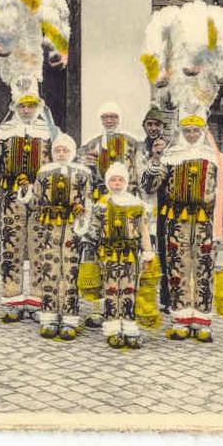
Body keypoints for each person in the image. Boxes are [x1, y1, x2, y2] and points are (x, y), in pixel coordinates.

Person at [142, 112, 223, 342]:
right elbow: (149, 185)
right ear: (182, 133)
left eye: (196, 131)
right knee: (178, 268)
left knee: (203, 268)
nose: (192, 135)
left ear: (203, 132)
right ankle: (181, 318)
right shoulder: (171, 156)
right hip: (176, 221)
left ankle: (202, 319)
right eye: (188, 131)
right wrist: (155, 161)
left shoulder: (215, 158)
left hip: (205, 222)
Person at [0, 87, 53, 322]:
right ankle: (11, 299)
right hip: (12, 197)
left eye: (30, 106)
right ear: (15, 107)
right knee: (11, 248)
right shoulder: (6, 132)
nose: (26, 110)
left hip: (40, 199)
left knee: (39, 249)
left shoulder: (49, 133)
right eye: (22, 106)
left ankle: (37, 299)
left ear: (37, 107)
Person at [18, 133, 92, 340]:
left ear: (72, 152)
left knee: (69, 271)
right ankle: (49, 316)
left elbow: (87, 201)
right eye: (57, 150)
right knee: (49, 269)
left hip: (71, 226)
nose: (61, 153)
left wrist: (83, 219)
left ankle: (69, 318)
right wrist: (26, 190)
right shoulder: (44, 173)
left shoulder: (83, 173)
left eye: (65, 150)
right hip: (49, 227)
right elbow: (36, 202)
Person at [78, 101, 142, 328]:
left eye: (113, 117)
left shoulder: (133, 144)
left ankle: (126, 309)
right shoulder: (92, 145)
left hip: (126, 209)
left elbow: (140, 176)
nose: (109, 121)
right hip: (101, 208)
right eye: (105, 117)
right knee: (98, 258)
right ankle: (99, 309)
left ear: (119, 119)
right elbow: (83, 176)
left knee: (127, 261)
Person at [83, 162, 155, 349]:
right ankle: (114, 328)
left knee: (129, 289)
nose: (117, 183)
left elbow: (144, 230)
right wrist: (90, 249)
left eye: (120, 179)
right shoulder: (102, 204)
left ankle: (130, 327)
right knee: (111, 289)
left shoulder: (136, 204)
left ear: (126, 181)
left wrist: (147, 252)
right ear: (108, 182)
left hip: (130, 254)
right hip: (108, 254)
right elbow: (94, 230)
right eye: (113, 180)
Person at [140, 106, 169, 310]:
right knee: (144, 250)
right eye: (149, 124)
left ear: (163, 127)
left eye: (157, 124)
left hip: (163, 204)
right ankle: (143, 294)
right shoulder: (138, 148)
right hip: (142, 202)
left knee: (165, 252)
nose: (153, 128)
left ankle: (167, 299)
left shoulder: (169, 148)